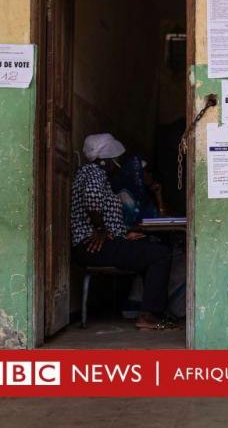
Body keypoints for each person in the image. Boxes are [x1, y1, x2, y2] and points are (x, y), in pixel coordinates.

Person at [71, 133, 175, 330]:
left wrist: (122, 234)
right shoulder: (94, 173)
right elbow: (92, 200)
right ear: (105, 158)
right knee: (160, 254)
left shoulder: (92, 173)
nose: (116, 163)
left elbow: (103, 211)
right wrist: (100, 229)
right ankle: (148, 315)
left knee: (151, 249)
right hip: (93, 247)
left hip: (100, 244)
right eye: (114, 159)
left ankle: (151, 311)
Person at [109, 155, 164, 228]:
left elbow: (160, 218)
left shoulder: (144, 195)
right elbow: (130, 224)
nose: (150, 175)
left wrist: (158, 195)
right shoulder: (125, 195)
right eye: (145, 171)